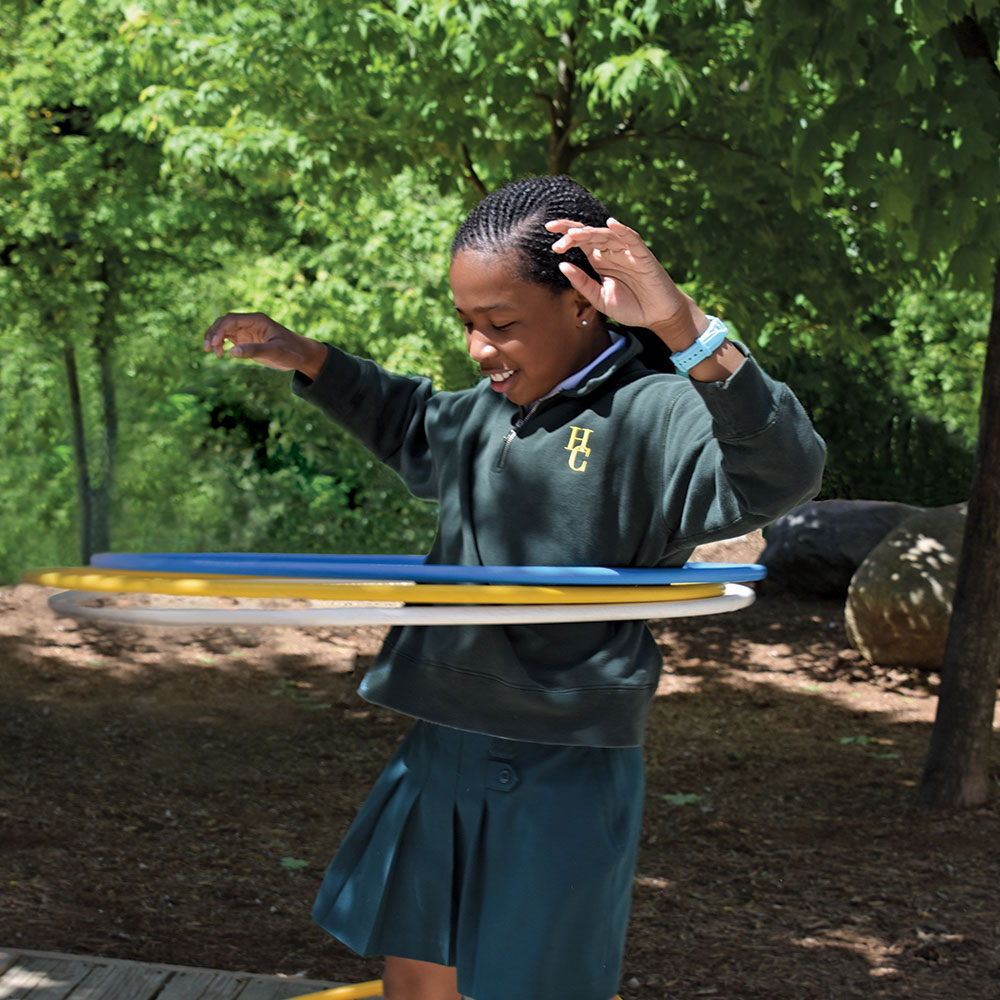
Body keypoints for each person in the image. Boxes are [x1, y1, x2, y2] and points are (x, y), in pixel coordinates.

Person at [203, 175, 825, 1000]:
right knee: (417, 985)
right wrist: (308, 357)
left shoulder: (654, 415)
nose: (478, 349)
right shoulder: (487, 414)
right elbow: (408, 422)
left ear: (582, 305)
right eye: (465, 324)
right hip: (441, 741)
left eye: (500, 325)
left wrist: (682, 324)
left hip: (561, 761)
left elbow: (784, 473)